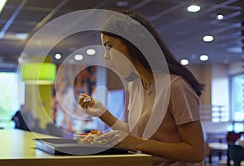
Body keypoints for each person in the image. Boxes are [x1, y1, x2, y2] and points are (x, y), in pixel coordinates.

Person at [78, 10, 205, 166]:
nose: (105, 56)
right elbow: (137, 135)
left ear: (133, 43)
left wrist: (136, 143)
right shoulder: (136, 85)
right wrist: (103, 113)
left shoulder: (175, 86)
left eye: (109, 46)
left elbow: (196, 151)